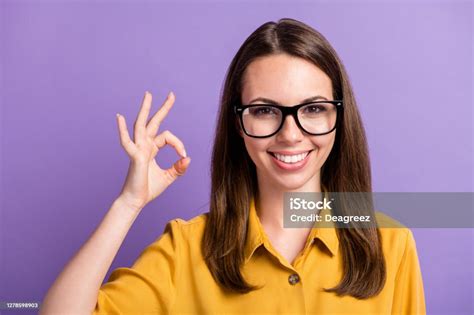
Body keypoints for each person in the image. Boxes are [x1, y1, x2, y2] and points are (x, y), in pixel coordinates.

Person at [40, 18, 426, 314]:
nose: (290, 134)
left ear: (339, 119)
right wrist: (128, 204)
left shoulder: (391, 245)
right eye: (264, 110)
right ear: (237, 124)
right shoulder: (185, 250)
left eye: (312, 109)